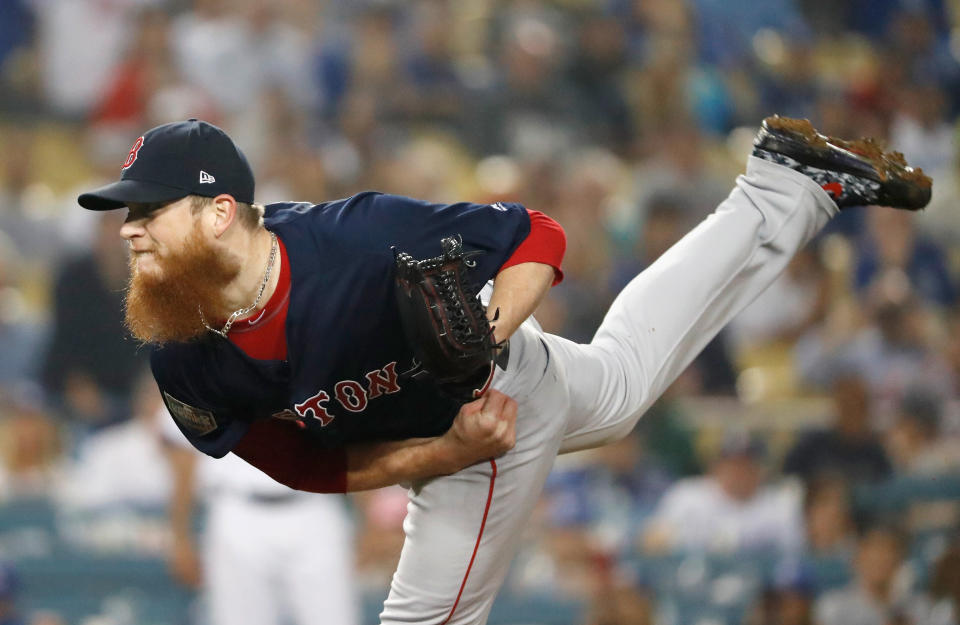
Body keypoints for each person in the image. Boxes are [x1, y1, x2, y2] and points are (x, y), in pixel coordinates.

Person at [76, 116, 930, 624]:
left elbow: (538, 235)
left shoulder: (356, 239)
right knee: (625, 382)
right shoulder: (179, 347)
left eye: (147, 210)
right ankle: (784, 191)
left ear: (221, 212)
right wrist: (437, 456)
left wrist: (487, 331)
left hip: (492, 400)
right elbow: (297, 461)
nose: (128, 230)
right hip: (452, 439)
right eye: (125, 213)